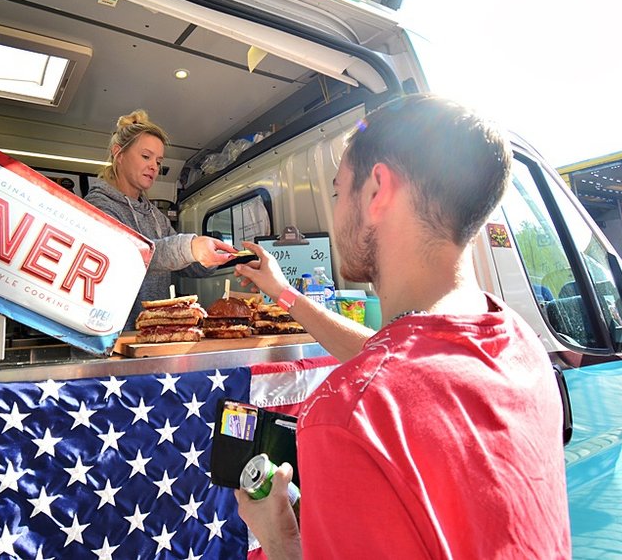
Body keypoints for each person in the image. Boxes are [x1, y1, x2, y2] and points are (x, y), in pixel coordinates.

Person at [232, 94, 570, 559]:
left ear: (376, 192)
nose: (336, 209)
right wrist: (284, 292)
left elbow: (387, 375)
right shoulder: (517, 342)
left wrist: (279, 539)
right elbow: (397, 359)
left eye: (337, 190)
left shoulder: (347, 416)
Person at [84, 109, 237, 330]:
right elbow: (128, 256)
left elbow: (184, 264)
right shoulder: (99, 206)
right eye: (146, 157)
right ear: (119, 154)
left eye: (159, 161)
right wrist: (189, 247)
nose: (154, 166)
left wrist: (225, 257)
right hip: (116, 337)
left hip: (157, 333)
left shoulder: (155, 216)